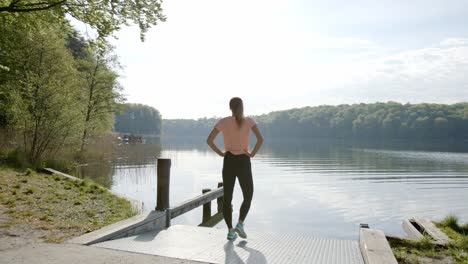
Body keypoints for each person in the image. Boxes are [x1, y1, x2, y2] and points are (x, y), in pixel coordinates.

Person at [206, 97, 264, 240]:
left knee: (227, 198)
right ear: (242, 106)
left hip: (229, 160)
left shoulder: (223, 122)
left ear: (230, 107)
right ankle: (240, 223)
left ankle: (231, 231)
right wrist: (252, 154)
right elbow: (260, 139)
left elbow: (209, 140)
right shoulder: (249, 121)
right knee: (248, 194)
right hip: (244, 160)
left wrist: (221, 153)